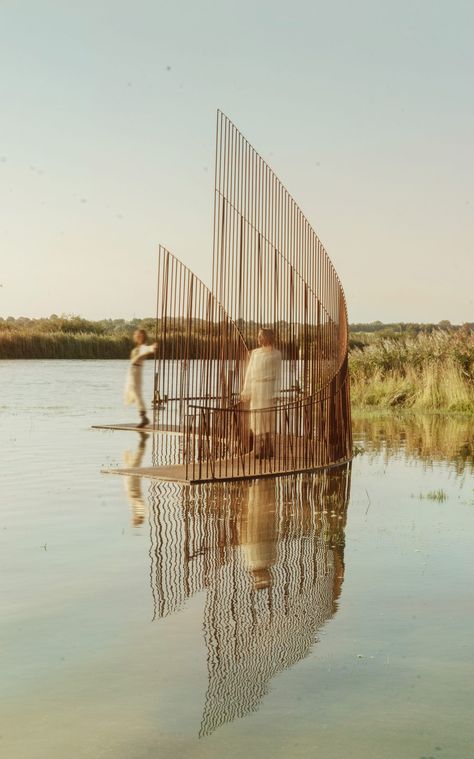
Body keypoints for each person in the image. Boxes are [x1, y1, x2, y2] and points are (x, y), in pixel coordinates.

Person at [241, 328, 282, 459]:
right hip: (256, 389)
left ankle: (269, 448)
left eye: (260, 336)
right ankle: (257, 449)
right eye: (258, 336)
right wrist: (246, 390)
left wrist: (276, 393)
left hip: (268, 388)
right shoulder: (254, 353)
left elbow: (278, 375)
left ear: (268, 337)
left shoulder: (276, 354)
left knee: (267, 418)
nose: (258, 338)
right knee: (256, 418)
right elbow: (249, 372)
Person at [124, 329, 157, 428]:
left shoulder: (143, 347)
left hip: (137, 370)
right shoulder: (137, 348)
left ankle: (144, 417)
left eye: (140, 335)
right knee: (134, 392)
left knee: (137, 393)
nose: (137, 336)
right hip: (133, 370)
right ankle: (143, 416)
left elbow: (149, 349)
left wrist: (153, 347)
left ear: (143, 337)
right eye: (136, 335)